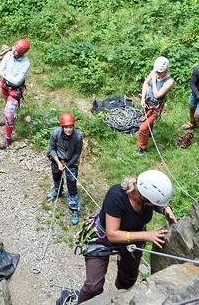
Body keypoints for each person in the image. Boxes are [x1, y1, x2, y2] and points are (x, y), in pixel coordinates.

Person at [76, 170, 177, 302]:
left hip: (132, 240)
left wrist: (165, 209)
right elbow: (112, 234)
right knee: (92, 287)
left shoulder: (145, 197)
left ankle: (119, 299)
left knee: (128, 280)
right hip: (103, 239)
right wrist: (146, 235)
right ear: (144, 198)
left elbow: (155, 202)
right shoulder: (116, 196)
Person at [47, 112, 83, 225]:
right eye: (66, 127)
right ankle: (58, 191)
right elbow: (51, 149)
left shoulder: (78, 136)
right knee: (56, 177)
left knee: (72, 185)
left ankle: (74, 208)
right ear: (62, 127)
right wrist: (58, 163)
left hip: (71, 162)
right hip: (57, 159)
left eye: (70, 127)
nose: (69, 130)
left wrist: (68, 164)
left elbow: (77, 153)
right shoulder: (55, 133)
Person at [0, 38, 31, 149]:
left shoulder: (26, 63)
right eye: (14, 49)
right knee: (6, 103)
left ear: (22, 53)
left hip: (15, 90)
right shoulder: (8, 55)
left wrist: (6, 74)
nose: (14, 52)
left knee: (8, 113)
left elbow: (18, 81)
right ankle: (7, 119)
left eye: (16, 51)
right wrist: (10, 77)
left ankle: (8, 138)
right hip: (5, 86)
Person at [137, 57, 173, 156]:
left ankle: (142, 147)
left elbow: (157, 95)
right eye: (156, 71)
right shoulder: (155, 71)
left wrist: (154, 78)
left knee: (143, 127)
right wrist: (143, 98)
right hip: (148, 101)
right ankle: (149, 133)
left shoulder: (169, 82)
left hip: (156, 106)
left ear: (165, 70)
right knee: (147, 121)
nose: (157, 74)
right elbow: (146, 83)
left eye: (159, 72)